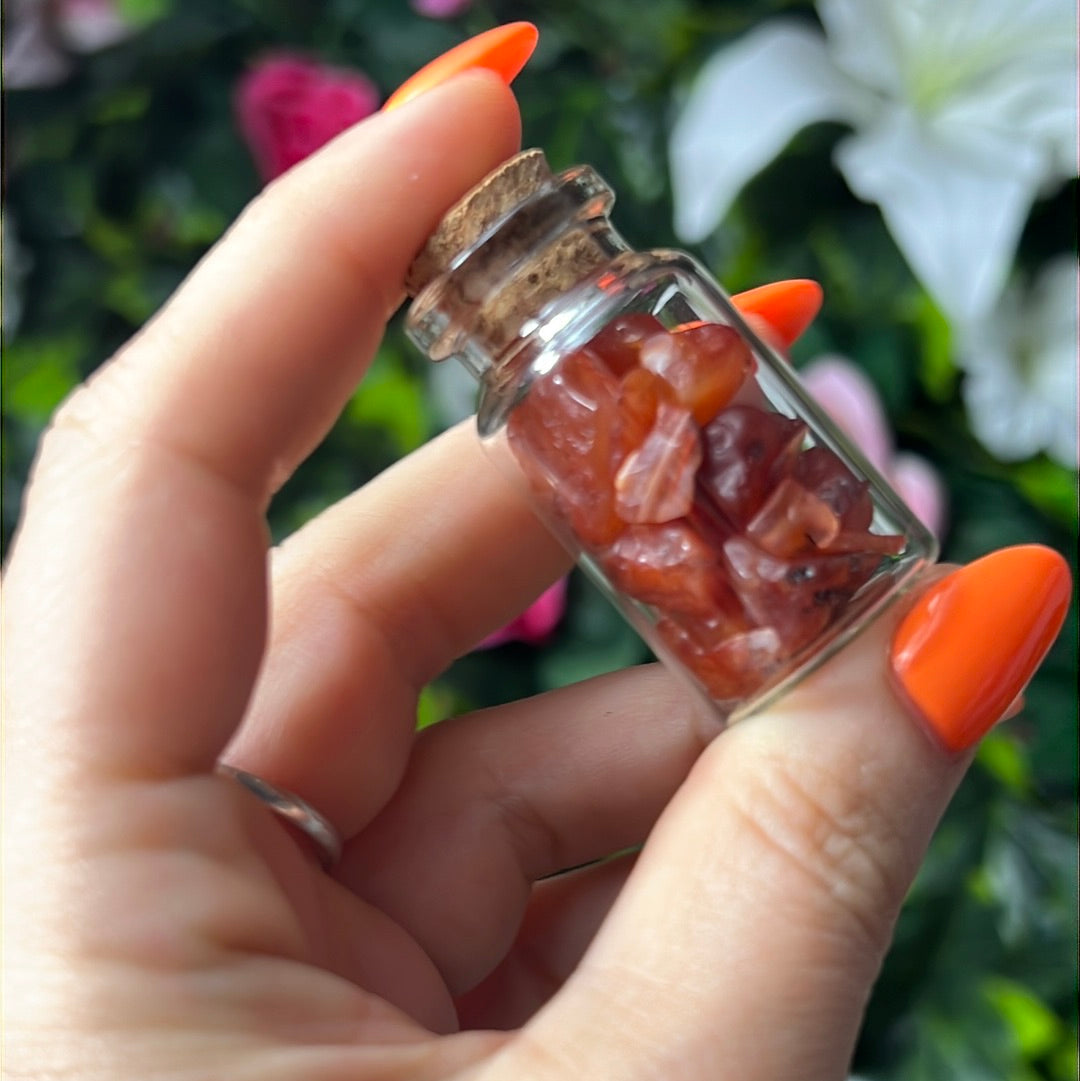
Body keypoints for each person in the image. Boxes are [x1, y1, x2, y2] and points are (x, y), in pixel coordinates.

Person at [2, 55, 1071, 1081]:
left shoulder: (652, 307)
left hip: (814, 588)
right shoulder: (543, 406)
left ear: (582, 220)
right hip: (760, 635)